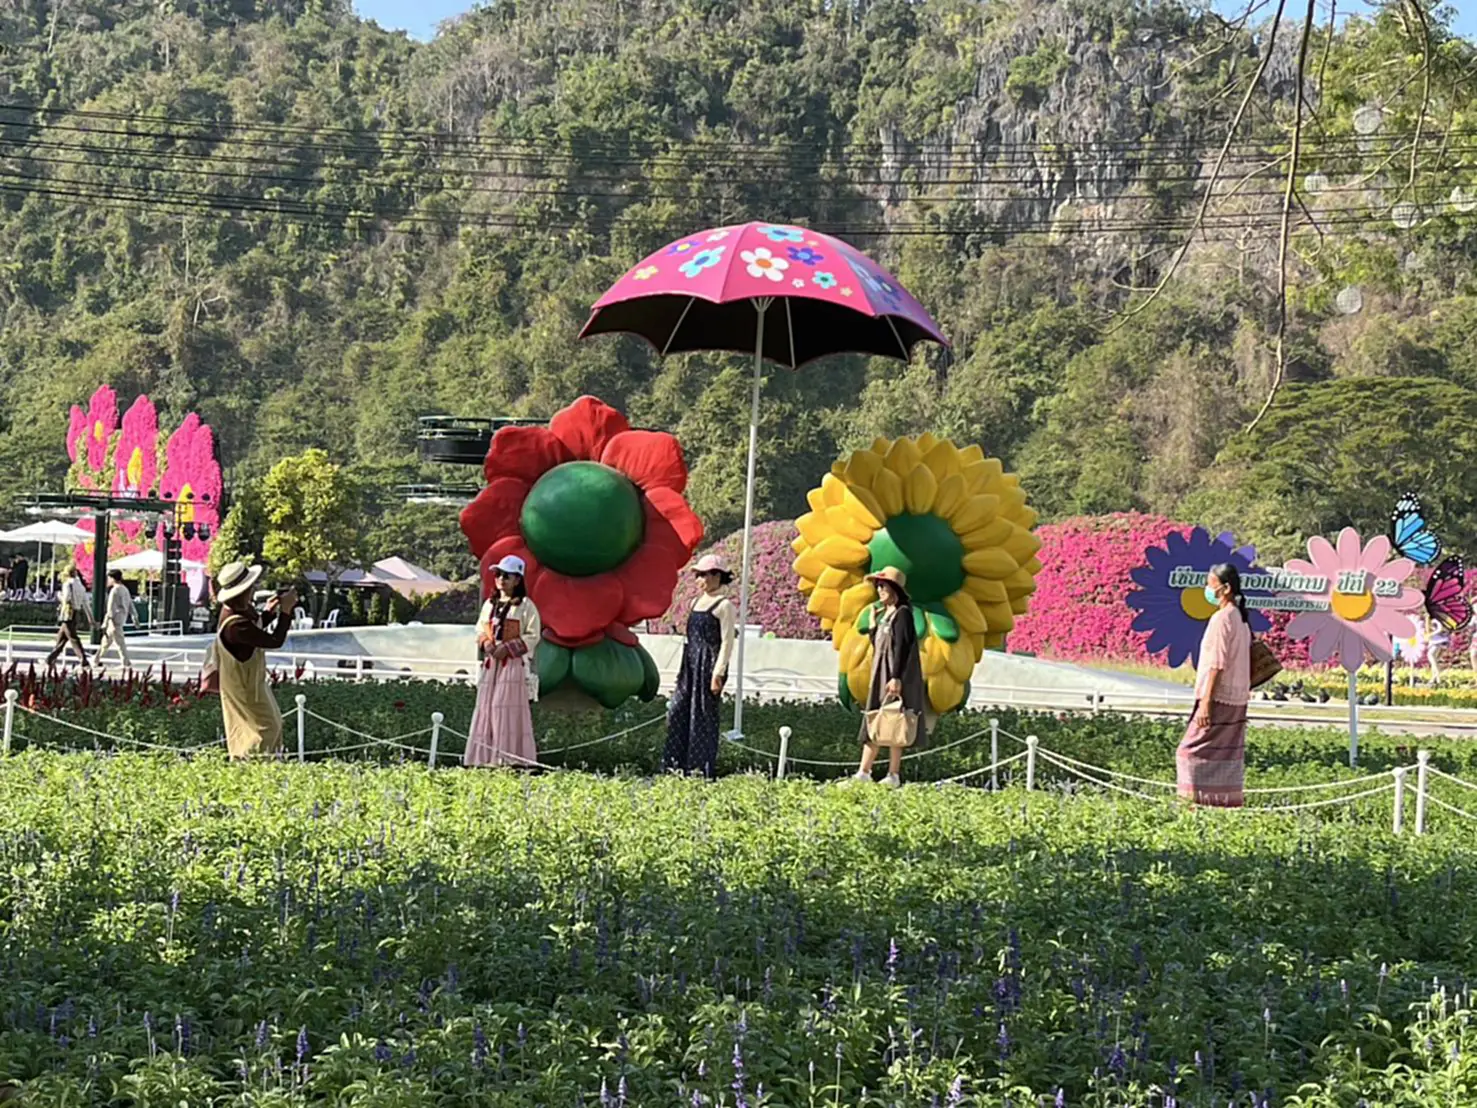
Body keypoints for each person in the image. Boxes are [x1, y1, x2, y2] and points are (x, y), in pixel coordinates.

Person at [1177, 563, 1252, 808]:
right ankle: (1222, 803)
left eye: (1210, 585)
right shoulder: (1240, 617)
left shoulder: (1222, 618)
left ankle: (1192, 804)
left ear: (1225, 588)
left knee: (1188, 753)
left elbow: (1217, 664)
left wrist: (1206, 702)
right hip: (1236, 698)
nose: (1207, 590)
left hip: (1219, 697)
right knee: (1225, 755)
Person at [851, 566, 930, 788]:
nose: (879, 590)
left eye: (883, 586)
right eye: (878, 586)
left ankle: (891, 774)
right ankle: (865, 771)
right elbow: (880, 645)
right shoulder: (885, 615)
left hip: (894, 674)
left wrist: (896, 677)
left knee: (896, 720)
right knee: (876, 717)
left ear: (894, 589)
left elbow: (902, 648)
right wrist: (873, 626)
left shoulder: (902, 613)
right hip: (881, 673)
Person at [464, 554, 542, 768]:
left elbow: (533, 635)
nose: (501, 579)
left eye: (506, 575)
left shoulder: (526, 606)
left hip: (512, 664)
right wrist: (486, 643)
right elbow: (480, 628)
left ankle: (509, 757)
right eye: (498, 574)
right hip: (492, 662)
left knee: (505, 707)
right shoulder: (489, 604)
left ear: (517, 579)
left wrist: (508, 648)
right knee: (486, 706)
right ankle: (483, 757)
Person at [213, 561, 296, 760]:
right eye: (250, 587)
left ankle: (265, 763)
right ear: (242, 592)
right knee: (263, 729)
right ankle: (254, 766)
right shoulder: (235, 626)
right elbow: (273, 641)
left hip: (251, 683)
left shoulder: (236, 610)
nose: (253, 590)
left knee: (271, 724)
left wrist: (269, 612)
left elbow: (254, 630)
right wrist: (286, 611)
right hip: (243, 687)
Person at [663, 554, 736, 778]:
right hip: (690, 663)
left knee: (702, 717)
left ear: (717, 576)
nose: (700, 579)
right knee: (677, 712)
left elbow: (727, 642)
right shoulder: (695, 602)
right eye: (698, 575)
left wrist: (718, 673)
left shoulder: (724, 606)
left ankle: (699, 771)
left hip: (709, 664)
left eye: (704, 575)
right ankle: (673, 766)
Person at [45, 566, 92, 669]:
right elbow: (86, 603)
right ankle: (50, 659)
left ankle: (84, 661)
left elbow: (66, 599)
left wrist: (59, 596)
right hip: (76, 613)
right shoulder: (81, 586)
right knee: (61, 638)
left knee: (73, 638)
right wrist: (90, 618)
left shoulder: (67, 584)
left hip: (67, 614)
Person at [95, 569, 135, 670]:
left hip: (114, 620)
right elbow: (130, 604)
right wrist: (135, 616)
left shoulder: (115, 590)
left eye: (109, 578)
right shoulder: (125, 589)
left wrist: (105, 622)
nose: (108, 580)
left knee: (119, 642)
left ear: (113, 578)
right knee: (106, 642)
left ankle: (126, 663)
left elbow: (110, 608)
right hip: (121, 618)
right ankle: (96, 659)